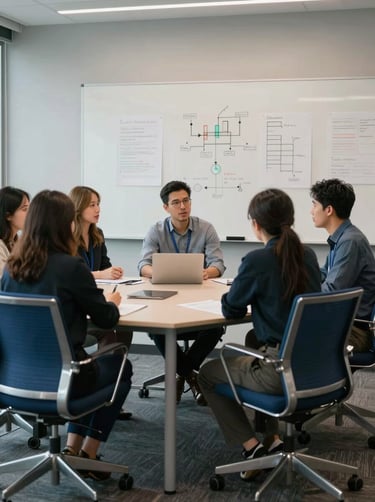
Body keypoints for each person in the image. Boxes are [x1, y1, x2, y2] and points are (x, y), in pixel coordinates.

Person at [1, 190, 133, 481]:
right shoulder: (71, 266)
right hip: (66, 382)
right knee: (120, 366)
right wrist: (113, 302)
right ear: (66, 225)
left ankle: (72, 448)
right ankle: (88, 452)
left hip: (14, 383)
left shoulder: (11, 268)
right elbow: (106, 319)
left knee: (82, 364)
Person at [198, 188, 321, 481]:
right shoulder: (308, 255)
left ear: (255, 224)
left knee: (208, 374)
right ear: (290, 220)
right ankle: (272, 439)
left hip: (279, 372)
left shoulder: (256, 260)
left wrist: (241, 289)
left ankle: (252, 448)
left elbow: (231, 309)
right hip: (316, 367)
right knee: (255, 339)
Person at [138, 180, 226, 405]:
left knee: (216, 326)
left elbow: (218, 264)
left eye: (186, 200)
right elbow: (143, 265)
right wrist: (157, 272)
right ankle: (191, 375)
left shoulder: (205, 228)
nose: (182, 207)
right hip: (166, 298)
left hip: (199, 297)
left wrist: (208, 272)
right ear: (166, 207)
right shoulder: (156, 230)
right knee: (155, 326)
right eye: (176, 202)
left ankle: (181, 373)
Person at [69, 185, 133, 420]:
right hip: (80, 307)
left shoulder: (97, 234)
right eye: (92, 204)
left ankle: (110, 388)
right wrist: (100, 275)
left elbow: (104, 264)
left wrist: (111, 272)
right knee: (109, 328)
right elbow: (75, 272)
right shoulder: (66, 237)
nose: (97, 209)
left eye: (98, 204)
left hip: (96, 297)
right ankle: (105, 390)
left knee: (123, 331)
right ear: (78, 207)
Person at [310, 178, 375, 352]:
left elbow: (331, 292)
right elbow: (324, 275)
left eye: (314, 205)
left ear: (329, 210)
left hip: (354, 330)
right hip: (341, 322)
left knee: (281, 337)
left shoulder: (350, 242)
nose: (311, 211)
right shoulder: (342, 238)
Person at [0, 186, 29, 278]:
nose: (30, 213)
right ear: (8, 216)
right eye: (25, 209)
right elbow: (5, 279)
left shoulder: (17, 241)